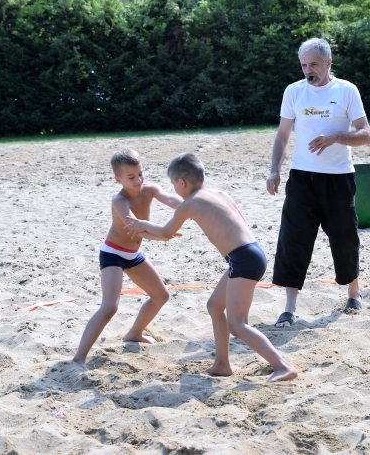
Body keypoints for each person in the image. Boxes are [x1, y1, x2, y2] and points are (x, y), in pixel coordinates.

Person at [125, 153, 298, 382]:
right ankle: (222, 364)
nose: (174, 189)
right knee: (215, 306)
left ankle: (282, 366)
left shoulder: (190, 203)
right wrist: (144, 231)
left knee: (237, 325)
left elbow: (166, 232)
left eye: (173, 184)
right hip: (250, 253)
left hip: (243, 259)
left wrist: (141, 226)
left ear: (182, 183)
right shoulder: (219, 194)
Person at [266, 38, 370, 328]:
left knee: (344, 238)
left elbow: (365, 135)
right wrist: (274, 170)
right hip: (301, 178)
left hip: (339, 178)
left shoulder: (346, 90)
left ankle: (353, 292)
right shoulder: (294, 92)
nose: (308, 70)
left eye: (313, 64)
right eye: (303, 65)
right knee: (293, 239)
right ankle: (289, 308)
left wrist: (336, 137)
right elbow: (283, 135)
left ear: (328, 63)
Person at [72, 148, 182, 371]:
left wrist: (193, 203)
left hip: (133, 255)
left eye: (141, 174)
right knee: (110, 306)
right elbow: (135, 227)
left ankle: (135, 333)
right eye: (131, 177)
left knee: (161, 295)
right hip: (112, 253)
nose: (138, 180)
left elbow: (171, 199)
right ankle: (79, 358)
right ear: (118, 179)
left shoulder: (149, 189)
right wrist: (162, 234)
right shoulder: (119, 200)